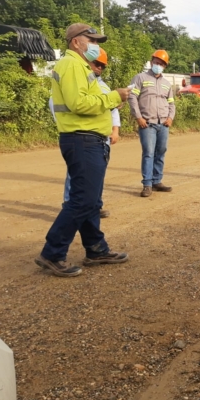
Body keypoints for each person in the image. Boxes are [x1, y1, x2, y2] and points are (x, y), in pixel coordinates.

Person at [35, 23, 131, 277]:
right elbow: (78, 104)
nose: (95, 45)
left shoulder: (79, 65)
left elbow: (86, 101)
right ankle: (52, 253)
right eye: (92, 39)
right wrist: (113, 97)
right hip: (82, 139)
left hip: (88, 139)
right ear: (76, 41)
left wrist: (108, 102)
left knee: (89, 198)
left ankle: (96, 249)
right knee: (84, 200)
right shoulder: (71, 64)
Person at [51, 48, 121, 218]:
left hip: (100, 137)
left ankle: (94, 205)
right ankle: (70, 205)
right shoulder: (75, 76)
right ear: (88, 61)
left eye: (102, 66)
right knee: (76, 176)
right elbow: (60, 106)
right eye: (97, 64)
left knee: (95, 176)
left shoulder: (101, 85)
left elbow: (110, 109)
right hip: (80, 136)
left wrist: (115, 129)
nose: (99, 68)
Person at [128, 49, 175, 198]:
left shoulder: (167, 84)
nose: (158, 65)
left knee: (161, 152)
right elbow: (132, 98)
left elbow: (171, 104)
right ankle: (147, 184)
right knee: (148, 153)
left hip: (163, 124)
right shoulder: (140, 78)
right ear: (151, 61)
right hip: (147, 123)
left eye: (161, 64)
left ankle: (157, 181)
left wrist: (170, 118)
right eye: (156, 62)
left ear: (165, 66)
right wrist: (138, 117)